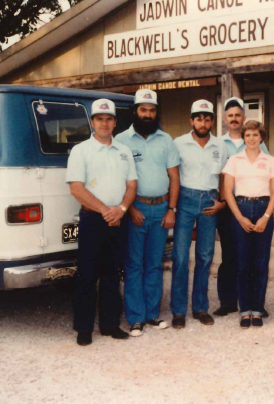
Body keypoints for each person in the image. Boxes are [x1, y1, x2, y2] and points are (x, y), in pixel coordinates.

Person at [66, 99, 137, 346]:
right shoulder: (80, 150)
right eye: (99, 119)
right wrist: (107, 211)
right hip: (93, 220)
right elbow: (76, 188)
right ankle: (84, 329)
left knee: (112, 274)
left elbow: (131, 185)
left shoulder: (124, 151)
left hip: (118, 219)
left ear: (115, 122)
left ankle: (110, 325)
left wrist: (122, 209)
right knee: (87, 275)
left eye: (109, 119)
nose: (104, 123)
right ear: (92, 122)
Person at [116, 89, 180, 337]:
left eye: (152, 110)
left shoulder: (166, 140)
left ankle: (152, 314)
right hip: (136, 210)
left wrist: (172, 209)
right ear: (135, 111)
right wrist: (129, 208)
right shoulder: (121, 140)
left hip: (162, 210)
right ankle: (135, 318)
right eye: (143, 110)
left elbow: (174, 177)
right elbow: (119, 178)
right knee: (134, 265)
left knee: (155, 264)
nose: (148, 114)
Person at [170, 99, 228, 329]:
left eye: (207, 118)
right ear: (191, 120)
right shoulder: (179, 143)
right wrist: (173, 206)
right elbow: (173, 174)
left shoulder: (220, 145)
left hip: (209, 201)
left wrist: (222, 201)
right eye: (199, 118)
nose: (203, 123)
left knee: (205, 256)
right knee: (181, 257)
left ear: (212, 121)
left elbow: (224, 175)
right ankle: (178, 311)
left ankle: (200, 308)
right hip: (185, 199)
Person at [214, 97, 270, 318]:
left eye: (238, 115)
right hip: (228, 206)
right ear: (225, 119)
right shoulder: (218, 143)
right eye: (230, 116)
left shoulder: (257, 142)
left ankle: (255, 303)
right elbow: (219, 175)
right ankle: (228, 302)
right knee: (229, 255)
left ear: (244, 118)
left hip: (252, 205)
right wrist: (221, 201)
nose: (234, 119)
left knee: (254, 256)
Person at [221, 120, 274, 328]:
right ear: (243, 138)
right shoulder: (235, 160)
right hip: (241, 208)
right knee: (243, 262)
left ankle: (257, 309)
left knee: (261, 263)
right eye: (248, 135)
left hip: (263, 208)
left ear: (261, 137)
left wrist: (265, 216)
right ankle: (245, 310)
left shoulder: (270, 160)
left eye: (255, 135)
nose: (252, 139)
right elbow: (227, 191)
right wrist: (239, 217)